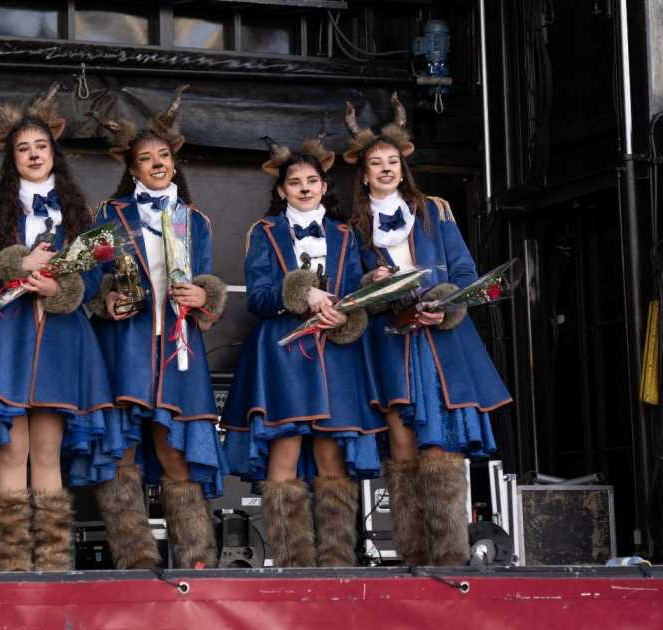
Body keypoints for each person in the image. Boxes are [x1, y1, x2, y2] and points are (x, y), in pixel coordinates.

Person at [0, 83, 120, 571]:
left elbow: (94, 277)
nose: (32, 154)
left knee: (48, 453)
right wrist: (17, 265)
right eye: (23, 148)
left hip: (60, 340)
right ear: (11, 158)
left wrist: (60, 287)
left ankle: (52, 565)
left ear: (54, 152)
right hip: (7, 339)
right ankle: (11, 564)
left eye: (40, 146)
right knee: (12, 452)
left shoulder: (77, 211)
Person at [346, 94, 511, 566]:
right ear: (364, 174)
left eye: (392, 162)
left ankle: (451, 556)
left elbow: (465, 273)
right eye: (376, 163)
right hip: (391, 341)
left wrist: (447, 305)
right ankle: (413, 556)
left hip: (439, 340)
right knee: (402, 446)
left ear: (403, 168)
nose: (385, 169)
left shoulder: (435, 211)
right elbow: (349, 291)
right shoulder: (353, 227)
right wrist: (371, 284)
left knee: (440, 443)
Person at [219, 136, 382, 567]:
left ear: (325, 186)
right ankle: (291, 561)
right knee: (285, 445)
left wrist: (346, 310)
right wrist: (301, 294)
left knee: (331, 453)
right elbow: (258, 298)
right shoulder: (265, 232)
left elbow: (354, 292)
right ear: (281, 190)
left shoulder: (346, 234)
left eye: (312, 180)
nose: (305, 188)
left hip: (335, 351)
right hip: (284, 352)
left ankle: (337, 561)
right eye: (295, 182)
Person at [86, 86, 228, 570]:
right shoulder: (109, 214)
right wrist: (104, 299)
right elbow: (92, 275)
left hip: (178, 346)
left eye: (163, 155)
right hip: (126, 343)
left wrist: (204, 296)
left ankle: (196, 560)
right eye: (145, 159)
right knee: (123, 451)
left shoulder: (196, 220)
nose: (157, 163)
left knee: (175, 450)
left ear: (174, 161)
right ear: (132, 170)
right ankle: (134, 559)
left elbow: (205, 278)